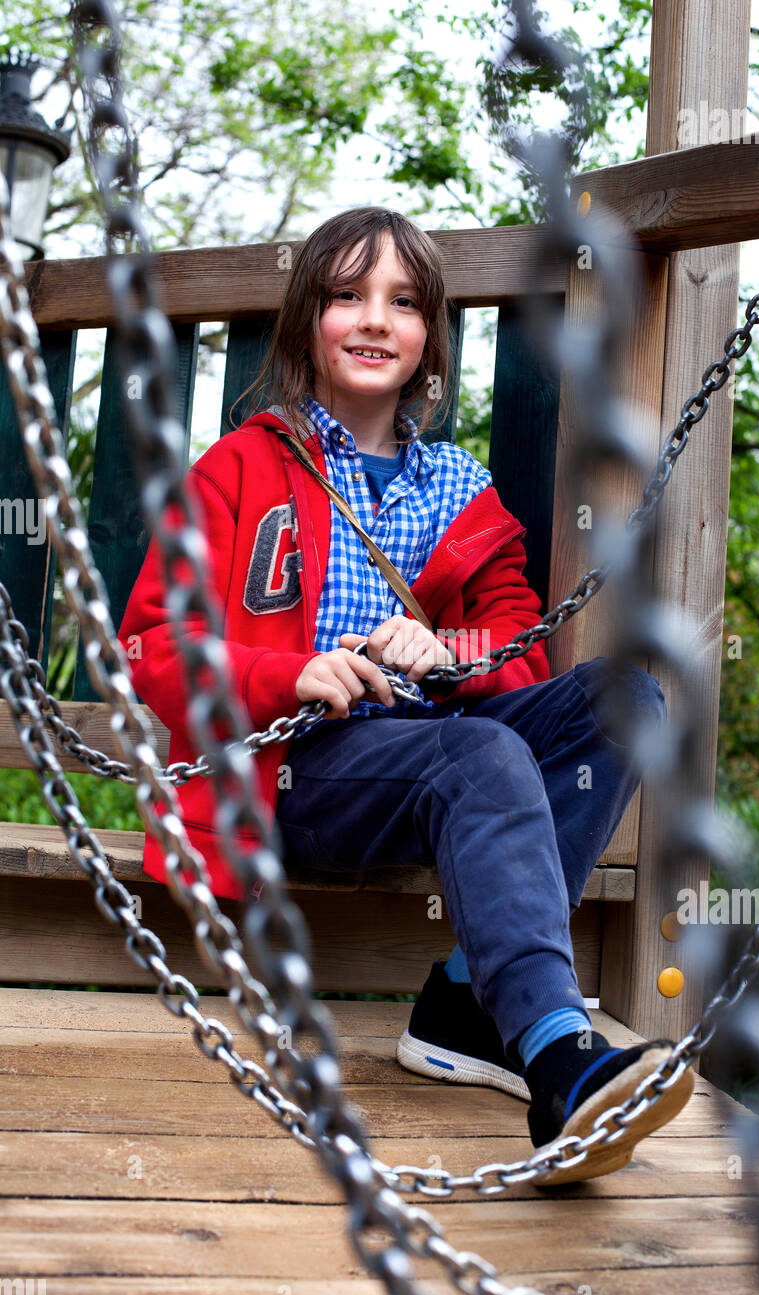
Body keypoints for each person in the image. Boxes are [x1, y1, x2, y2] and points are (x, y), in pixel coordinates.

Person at [119, 205, 694, 1185]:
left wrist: (451, 653)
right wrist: (283, 671)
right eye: (346, 296)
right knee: (482, 751)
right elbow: (148, 646)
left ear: (431, 334)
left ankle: (472, 994)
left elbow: (519, 664)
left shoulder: (459, 491)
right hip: (305, 767)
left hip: (448, 753)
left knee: (623, 698)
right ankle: (557, 1057)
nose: (374, 319)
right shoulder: (242, 469)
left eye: (402, 301)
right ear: (309, 322)